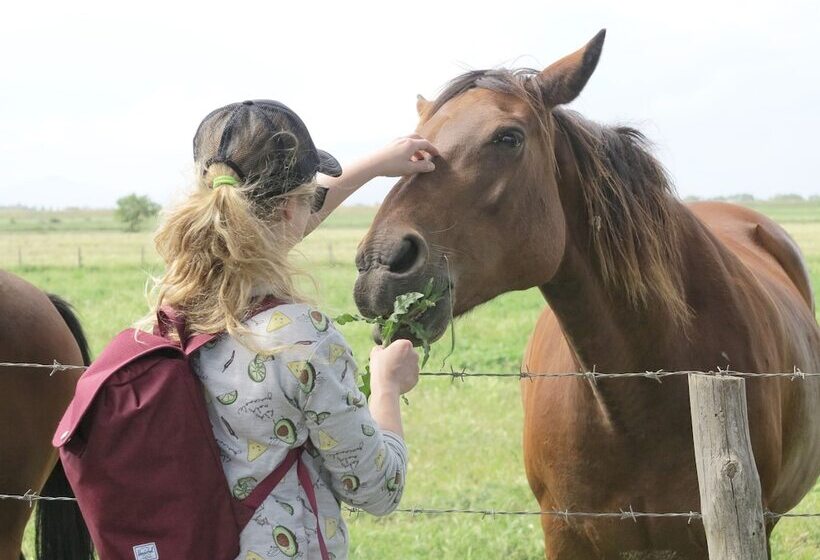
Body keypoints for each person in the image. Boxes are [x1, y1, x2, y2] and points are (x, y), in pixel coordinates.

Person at [147, 99, 438, 559]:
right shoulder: (303, 340)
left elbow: (257, 233)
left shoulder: (173, 309)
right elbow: (377, 488)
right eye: (310, 199)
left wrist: (376, 164)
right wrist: (387, 385)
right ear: (289, 210)